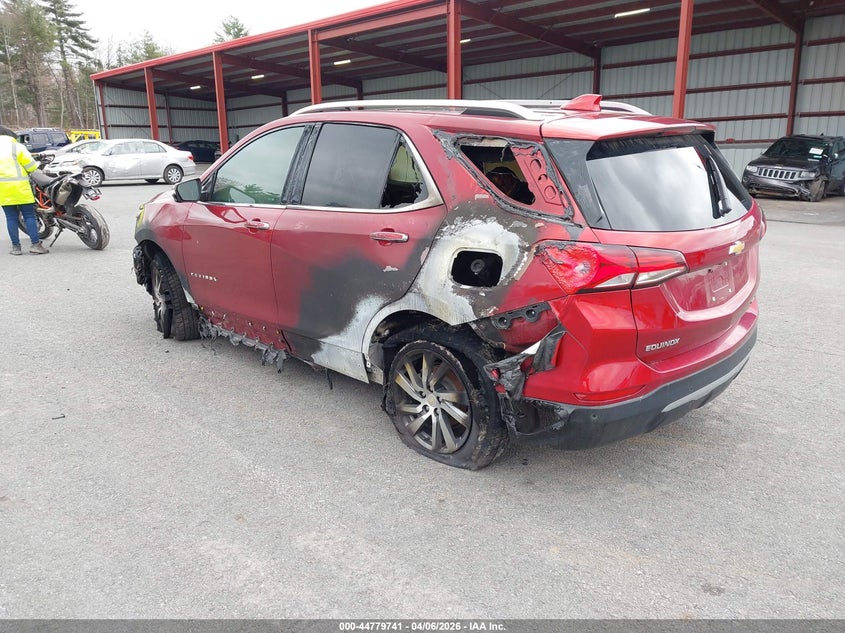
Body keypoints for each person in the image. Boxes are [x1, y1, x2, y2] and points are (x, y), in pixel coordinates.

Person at [0, 125, 49, 255]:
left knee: (11, 218)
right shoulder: (16, 147)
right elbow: (31, 166)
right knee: (29, 216)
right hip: (20, 187)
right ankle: (35, 245)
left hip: (3, 190)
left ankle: (16, 248)